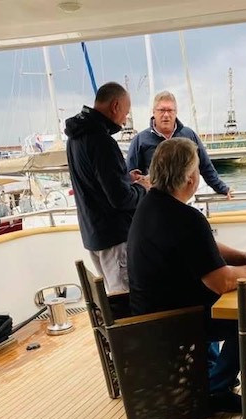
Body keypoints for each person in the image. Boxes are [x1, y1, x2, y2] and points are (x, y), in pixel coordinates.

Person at [127, 138, 246, 414]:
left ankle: (210, 379)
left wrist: (242, 256)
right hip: (175, 321)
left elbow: (202, 246)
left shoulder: (151, 206)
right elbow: (221, 282)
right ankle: (214, 390)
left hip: (149, 315)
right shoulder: (186, 218)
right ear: (191, 179)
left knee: (226, 308)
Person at [65, 81, 150, 292]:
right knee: (126, 298)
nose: (125, 120)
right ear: (115, 106)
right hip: (115, 238)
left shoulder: (75, 137)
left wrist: (126, 178)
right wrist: (144, 188)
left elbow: (92, 181)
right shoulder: (102, 141)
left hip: (94, 235)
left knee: (114, 296)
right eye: (126, 113)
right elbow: (121, 199)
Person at [126, 90, 231, 198]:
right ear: (153, 112)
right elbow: (130, 174)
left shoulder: (189, 136)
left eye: (170, 110)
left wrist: (222, 188)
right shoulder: (140, 140)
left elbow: (205, 166)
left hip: (186, 200)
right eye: (162, 110)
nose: (166, 115)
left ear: (176, 112)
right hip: (155, 200)